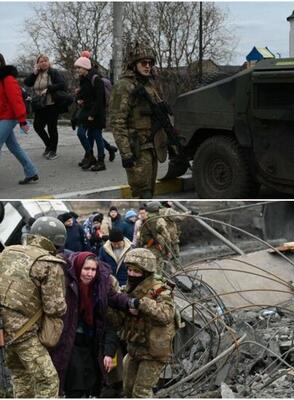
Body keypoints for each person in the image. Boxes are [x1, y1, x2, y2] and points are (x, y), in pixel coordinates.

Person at [0, 216, 68, 397]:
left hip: (4, 332)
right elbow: (55, 307)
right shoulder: (49, 263)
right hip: (25, 333)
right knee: (48, 381)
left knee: (21, 378)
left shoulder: (8, 251)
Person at [49, 251, 131, 397]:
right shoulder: (67, 285)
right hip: (69, 340)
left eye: (93, 270)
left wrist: (131, 303)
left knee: (91, 380)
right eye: (86, 269)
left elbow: (113, 304)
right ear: (79, 268)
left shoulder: (100, 288)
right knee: (74, 380)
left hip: (92, 341)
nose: (90, 274)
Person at [110, 43, 170, 198]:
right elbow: (117, 122)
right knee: (140, 192)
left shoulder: (150, 84)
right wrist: (125, 153)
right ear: (133, 64)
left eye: (150, 63)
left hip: (153, 145)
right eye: (144, 63)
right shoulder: (124, 86)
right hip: (137, 147)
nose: (148, 66)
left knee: (150, 191)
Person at [114, 248, 176, 397]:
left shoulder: (160, 290)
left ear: (146, 272)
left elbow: (166, 314)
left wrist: (140, 304)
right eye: (129, 270)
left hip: (153, 352)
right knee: (128, 389)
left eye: (136, 271)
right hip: (134, 348)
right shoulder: (129, 288)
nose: (131, 274)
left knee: (140, 392)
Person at [0, 53, 39, 184]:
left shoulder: (7, 79)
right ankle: (31, 172)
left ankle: (31, 171)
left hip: (9, 117)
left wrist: (22, 119)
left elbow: (16, 100)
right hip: (3, 117)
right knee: (13, 146)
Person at [23, 54, 68, 160]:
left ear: (49, 62)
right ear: (37, 63)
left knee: (52, 128)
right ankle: (49, 145)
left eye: (45, 61)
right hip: (39, 104)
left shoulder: (53, 72)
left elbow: (62, 85)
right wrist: (34, 73)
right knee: (37, 126)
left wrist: (49, 89)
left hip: (51, 104)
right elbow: (27, 83)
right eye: (41, 61)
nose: (43, 63)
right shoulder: (36, 73)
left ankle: (53, 151)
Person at [73, 55, 108, 171]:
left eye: (79, 68)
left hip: (96, 113)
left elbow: (100, 99)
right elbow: (83, 94)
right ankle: (90, 156)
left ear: (85, 67)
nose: (77, 70)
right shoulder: (84, 79)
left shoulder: (96, 79)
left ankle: (101, 161)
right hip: (87, 111)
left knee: (97, 136)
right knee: (83, 134)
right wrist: (78, 98)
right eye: (77, 68)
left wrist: (92, 114)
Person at [138, 202, 174, 271]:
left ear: (147, 212)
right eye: (140, 213)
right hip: (148, 249)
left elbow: (166, 237)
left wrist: (168, 251)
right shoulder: (143, 223)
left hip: (155, 248)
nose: (142, 215)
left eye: (143, 213)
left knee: (158, 268)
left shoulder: (154, 221)